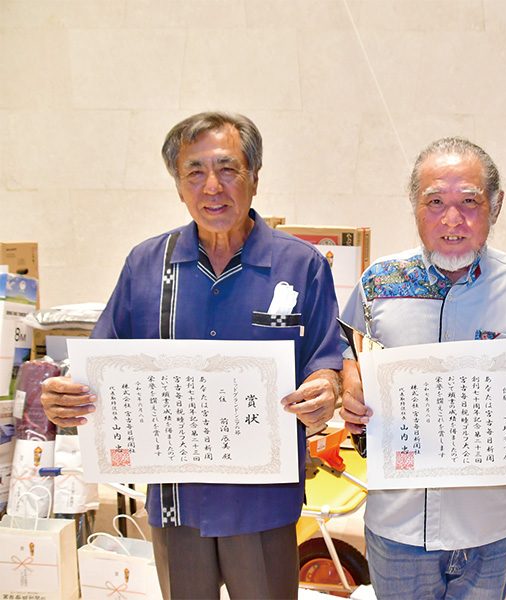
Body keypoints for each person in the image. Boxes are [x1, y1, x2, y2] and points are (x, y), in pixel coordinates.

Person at [40, 112, 344, 599]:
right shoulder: (146, 264)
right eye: (194, 172)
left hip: (263, 501)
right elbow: (99, 366)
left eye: (227, 169)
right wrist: (66, 397)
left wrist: (325, 387)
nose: (212, 187)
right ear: (179, 186)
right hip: (176, 499)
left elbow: (324, 357)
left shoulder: (300, 264)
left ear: (254, 178)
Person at [340, 137, 506, 599]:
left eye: (469, 202)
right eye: (435, 202)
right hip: (398, 523)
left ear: (496, 205)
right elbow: (348, 350)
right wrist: (351, 385)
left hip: (489, 525)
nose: (452, 219)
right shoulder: (380, 283)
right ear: (415, 206)